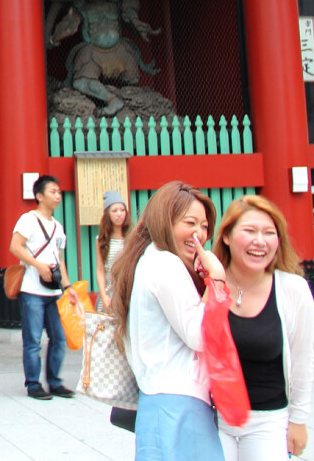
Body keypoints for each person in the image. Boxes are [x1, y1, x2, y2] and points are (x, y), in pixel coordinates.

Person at [110, 180, 226, 461]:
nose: (199, 234)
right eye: (190, 223)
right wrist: (217, 279)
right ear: (165, 219)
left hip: (163, 402)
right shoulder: (165, 263)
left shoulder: (149, 260)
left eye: (204, 227)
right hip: (178, 403)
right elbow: (199, 334)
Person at [211, 195, 314, 460]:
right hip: (211, 419)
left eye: (270, 233)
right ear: (226, 236)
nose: (260, 241)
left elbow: (305, 359)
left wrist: (299, 420)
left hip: (269, 422)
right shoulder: (207, 285)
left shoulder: (293, 289)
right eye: (249, 231)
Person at [8, 173, 74, 401]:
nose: (57, 196)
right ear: (39, 196)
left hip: (54, 291)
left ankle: (55, 382)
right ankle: (34, 384)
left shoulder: (58, 226)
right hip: (32, 290)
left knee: (59, 338)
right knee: (33, 340)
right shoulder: (28, 219)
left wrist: (68, 286)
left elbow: (60, 259)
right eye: (52, 192)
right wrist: (37, 265)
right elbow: (15, 246)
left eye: (58, 191)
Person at [95, 190, 131, 312]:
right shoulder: (101, 240)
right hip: (108, 295)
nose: (119, 214)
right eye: (114, 211)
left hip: (126, 294)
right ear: (108, 214)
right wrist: (103, 295)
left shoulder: (131, 238)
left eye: (122, 210)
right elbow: (100, 270)